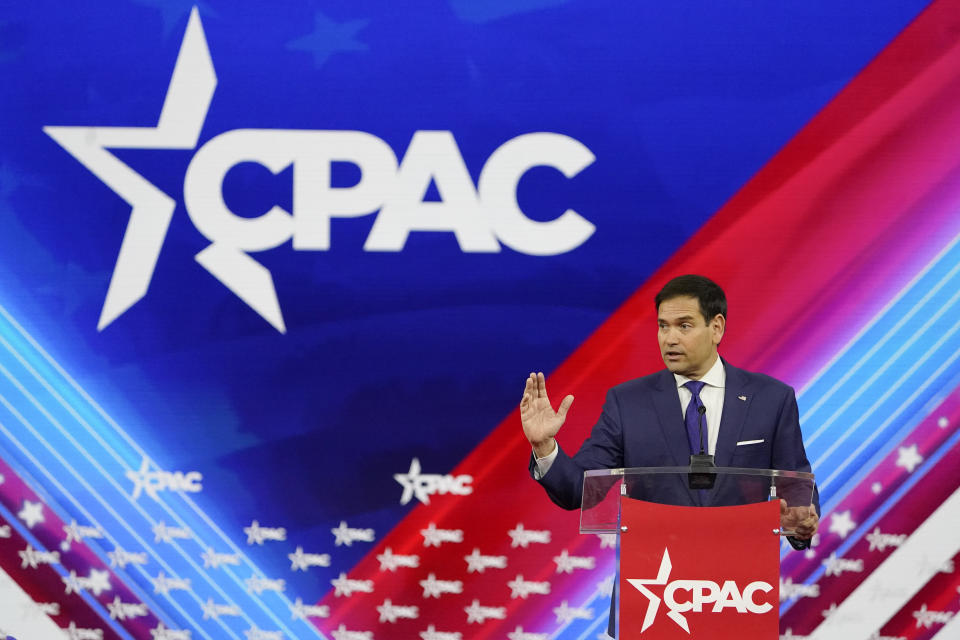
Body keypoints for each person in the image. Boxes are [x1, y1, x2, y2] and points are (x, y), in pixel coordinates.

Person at [520, 274, 819, 542]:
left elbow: (796, 485)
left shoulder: (771, 398)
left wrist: (801, 520)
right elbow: (579, 491)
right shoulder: (627, 403)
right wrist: (544, 446)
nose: (670, 338)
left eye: (684, 326)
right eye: (663, 326)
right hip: (651, 583)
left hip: (739, 585)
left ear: (716, 328)